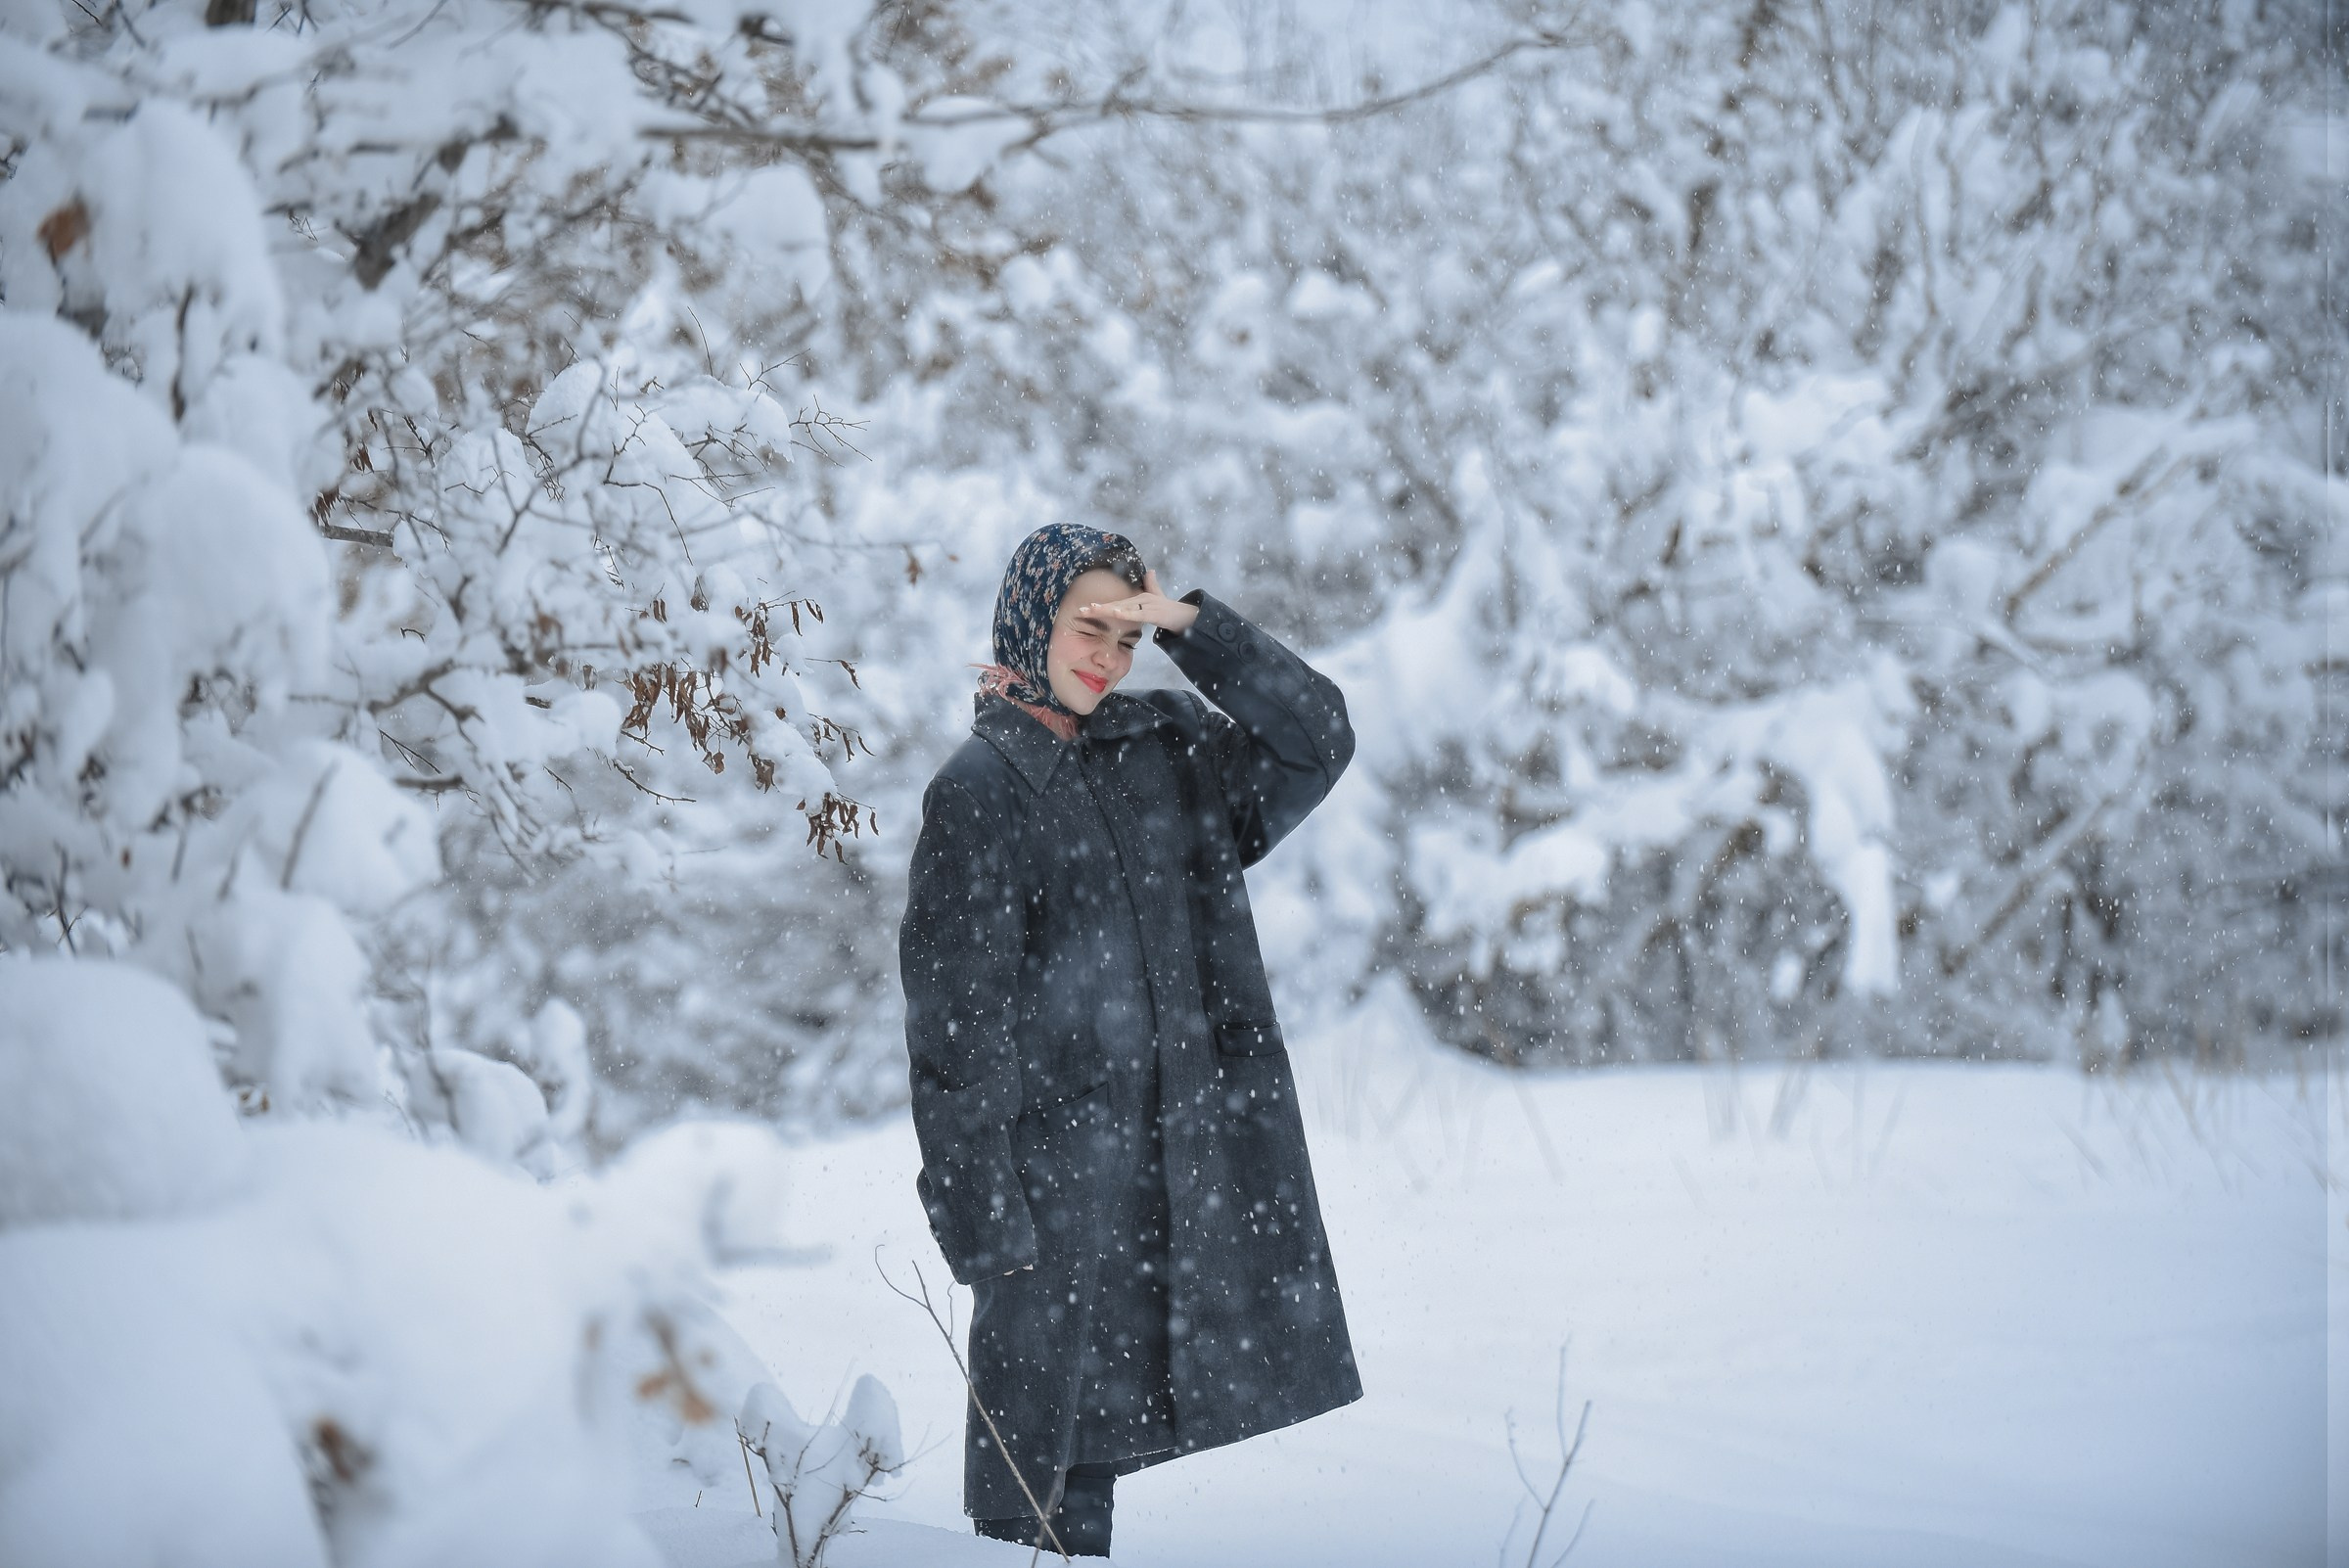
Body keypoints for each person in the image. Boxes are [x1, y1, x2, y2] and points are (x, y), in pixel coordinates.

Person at [899, 523, 1362, 1557]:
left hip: (1181, 1173)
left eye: (1125, 633)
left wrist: (1193, 628)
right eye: (1086, 627)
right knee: (1036, 1498)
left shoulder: (1175, 751)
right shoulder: (978, 793)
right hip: (1051, 1201)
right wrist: (990, 1232)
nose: (1106, 657)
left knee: (1099, 1453)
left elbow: (1317, 739)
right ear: (1030, 624)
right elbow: (952, 1036)